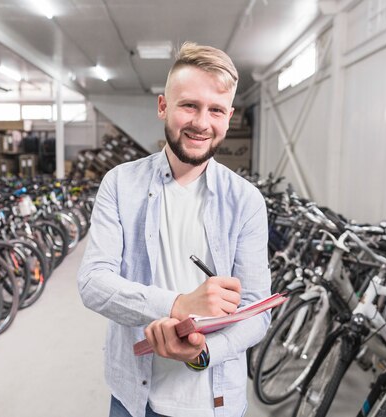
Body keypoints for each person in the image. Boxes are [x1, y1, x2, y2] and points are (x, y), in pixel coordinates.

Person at [77, 41, 271, 417]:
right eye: (189, 105)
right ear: (163, 106)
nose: (201, 122)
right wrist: (178, 304)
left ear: (228, 117)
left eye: (215, 110)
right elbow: (93, 282)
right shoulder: (120, 184)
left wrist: (202, 353)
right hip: (134, 398)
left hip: (215, 402)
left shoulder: (246, 201)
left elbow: (256, 312)